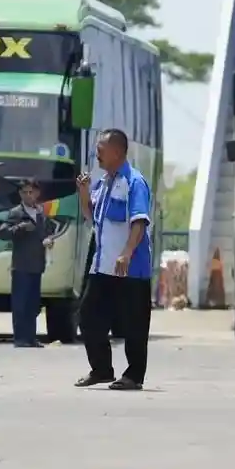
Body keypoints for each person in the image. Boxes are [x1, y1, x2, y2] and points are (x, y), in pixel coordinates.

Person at [74, 129, 155, 391]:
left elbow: (139, 221)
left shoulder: (134, 182)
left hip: (130, 268)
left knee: (133, 324)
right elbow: (90, 215)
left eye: (101, 149)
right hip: (102, 267)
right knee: (87, 316)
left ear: (118, 152)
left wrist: (127, 252)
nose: (96, 154)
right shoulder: (104, 182)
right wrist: (84, 192)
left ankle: (133, 375)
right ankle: (101, 369)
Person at [0, 178, 53, 348]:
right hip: (21, 265)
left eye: (31, 192)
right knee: (20, 304)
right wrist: (19, 228)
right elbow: (2, 233)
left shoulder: (40, 212)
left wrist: (48, 239)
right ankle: (20, 338)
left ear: (37, 193)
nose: (29, 195)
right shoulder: (15, 213)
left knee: (33, 304)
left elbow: (47, 232)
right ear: (20, 194)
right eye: (25, 192)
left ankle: (31, 337)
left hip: (37, 265)